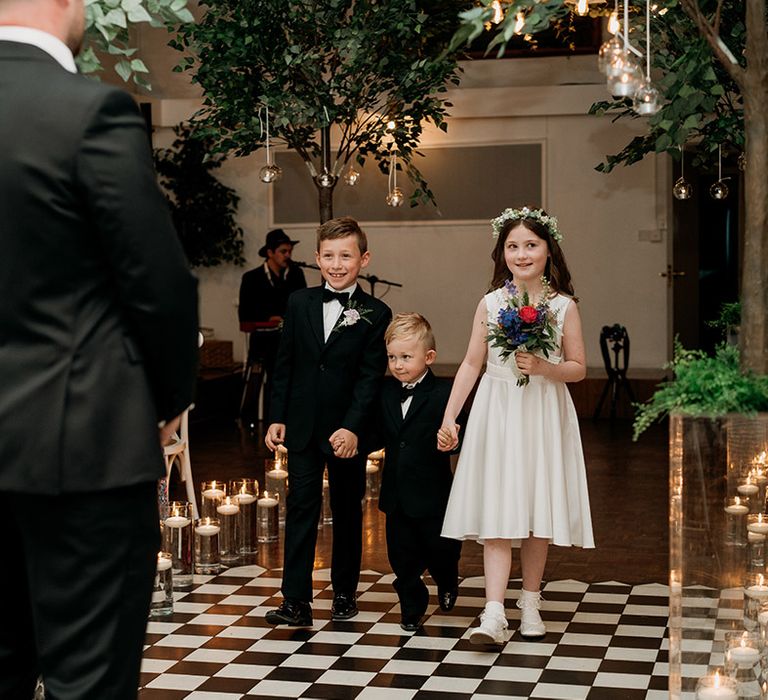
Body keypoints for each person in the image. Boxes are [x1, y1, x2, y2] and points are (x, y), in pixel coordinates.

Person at [0, 0, 200, 696]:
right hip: (77, 447)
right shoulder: (87, 112)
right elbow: (158, 282)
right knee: (87, 680)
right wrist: (170, 399)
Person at [438, 206, 594, 645]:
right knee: (498, 509)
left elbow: (580, 367)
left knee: (534, 508)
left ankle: (529, 602)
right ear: (501, 252)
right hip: (497, 409)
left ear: (549, 251)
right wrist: (450, 416)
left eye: (531, 245)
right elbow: (472, 362)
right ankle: (492, 612)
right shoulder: (490, 303)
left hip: (543, 409)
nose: (521, 254)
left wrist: (546, 367)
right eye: (513, 246)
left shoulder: (563, 306)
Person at [264, 216, 391, 626]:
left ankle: (344, 594)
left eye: (346, 256)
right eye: (329, 256)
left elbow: (370, 378)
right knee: (300, 508)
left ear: (363, 258)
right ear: (317, 259)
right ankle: (296, 601)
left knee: (347, 510)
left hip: (345, 433)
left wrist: (353, 427)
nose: (337, 264)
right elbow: (284, 364)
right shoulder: (299, 303)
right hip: (301, 425)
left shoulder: (376, 312)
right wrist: (276, 416)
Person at [376, 313, 463, 631]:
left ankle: (447, 580)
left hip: (433, 494)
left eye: (406, 357)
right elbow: (379, 432)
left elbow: (459, 434)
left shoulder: (444, 394)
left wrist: (451, 440)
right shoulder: (385, 392)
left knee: (441, 550)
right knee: (401, 558)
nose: (397, 364)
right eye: (392, 357)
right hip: (397, 495)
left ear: (429, 357)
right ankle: (411, 604)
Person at [238, 229, 306, 419]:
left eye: (289, 252)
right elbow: (244, 313)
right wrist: (269, 319)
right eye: (283, 251)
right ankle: (271, 415)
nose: (288, 256)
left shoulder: (295, 274)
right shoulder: (252, 278)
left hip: (289, 336)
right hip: (264, 337)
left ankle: (294, 413)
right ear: (270, 253)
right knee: (275, 363)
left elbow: (303, 306)